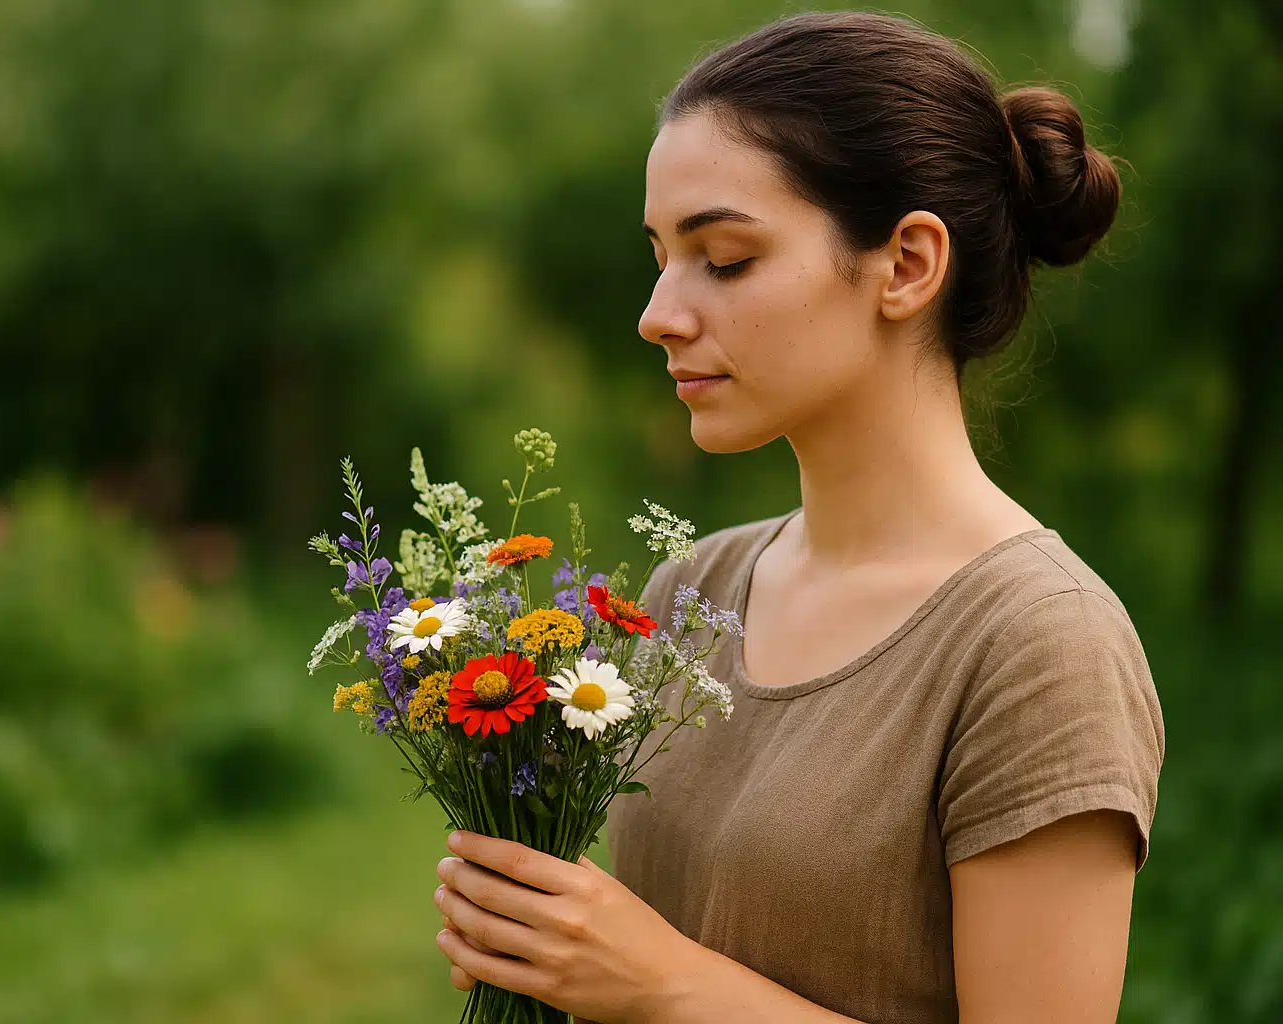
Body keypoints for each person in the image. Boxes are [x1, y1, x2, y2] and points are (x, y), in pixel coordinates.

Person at [429, 10, 1165, 1022]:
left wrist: (660, 985)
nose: (658, 314)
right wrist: (537, 935)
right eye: (659, 255)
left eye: (723, 259)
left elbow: (659, 976)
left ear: (907, 265)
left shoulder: (1040, 644)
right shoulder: (691, 592)